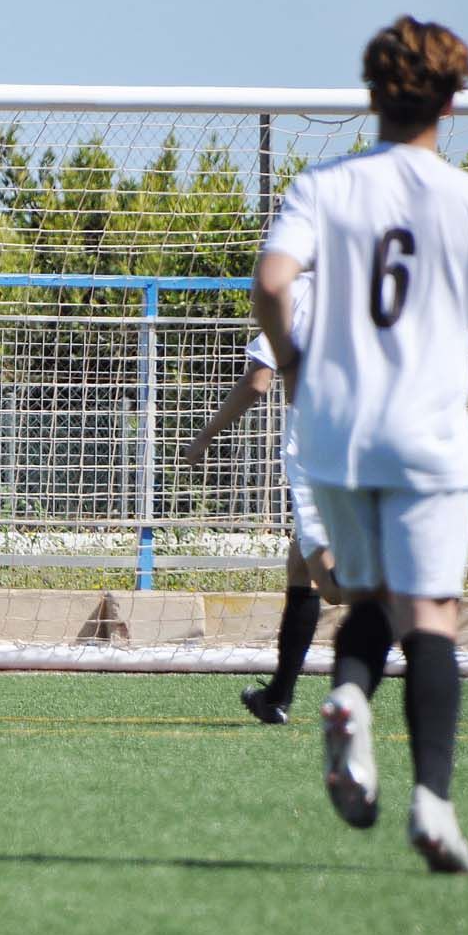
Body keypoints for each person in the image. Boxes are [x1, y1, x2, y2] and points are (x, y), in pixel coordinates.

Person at [251, 16, 468, 873]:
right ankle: (433, 806)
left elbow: (272, 280)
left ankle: (346, 694)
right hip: (429, 435)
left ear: (372, 94)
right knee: (433, 614)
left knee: (369, 595)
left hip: (337, 432)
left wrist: (295, 356)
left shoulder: (324, 186)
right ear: (452, 100)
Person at [183, 271, 343, 725]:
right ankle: (278, 696)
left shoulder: (298, 292)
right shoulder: (367, 282)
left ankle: (401, 599)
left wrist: (203, 438)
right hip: (376, 434)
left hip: (317, 442)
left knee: (328, 583)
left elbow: (258, 382)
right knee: (300, 566)